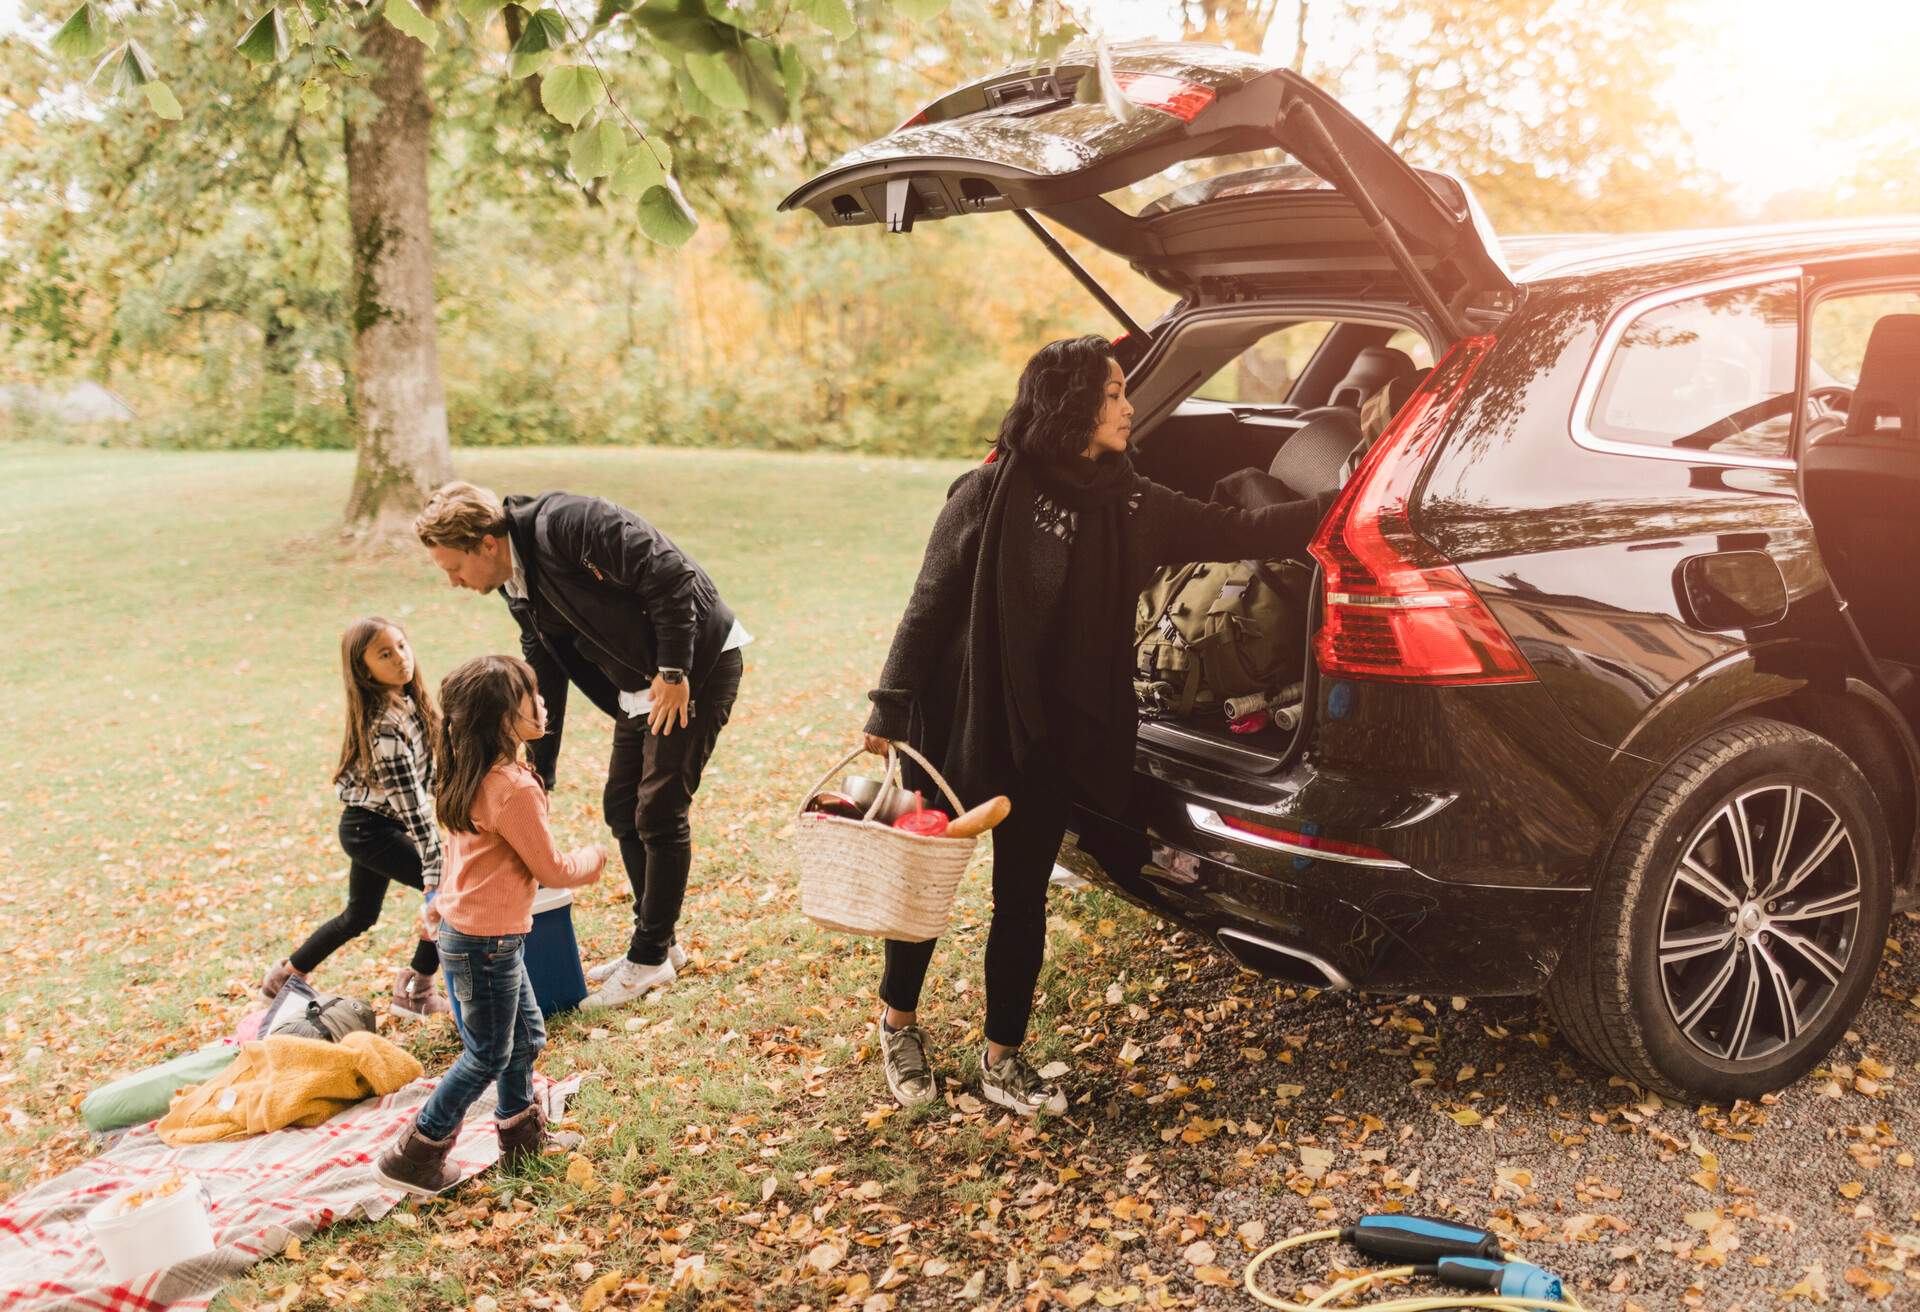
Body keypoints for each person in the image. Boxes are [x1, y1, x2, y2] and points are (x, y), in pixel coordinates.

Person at [859, 335, 1338, 1115]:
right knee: (925, 886)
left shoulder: (1132, 503)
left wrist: (1349, 507)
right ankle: (898, 1022)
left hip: (1056, 733)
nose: (1129, 405)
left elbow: (1240, 531)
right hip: (962, 715)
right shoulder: (985, 495)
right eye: (1113, 393)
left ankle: (1001, 1060)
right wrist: (888, 707)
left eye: (1123, 391)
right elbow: (930, 602)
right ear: (1070, 403)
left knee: (1022, 899)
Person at [413, 481, 746, 1010]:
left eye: (453, 566)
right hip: (641, 681)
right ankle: (662, 945)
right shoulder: (514, 580)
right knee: (622, 807)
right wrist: (534, 769)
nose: (453, 581)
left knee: (658, 809)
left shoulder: (569, 523)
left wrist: (675, 669)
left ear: (486, 543)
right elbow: (543, 664)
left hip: (693, 663)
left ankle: (650, 955)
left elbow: (671, 575)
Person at [374, 655, 607, 1196]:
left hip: (478, 934)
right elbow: (548, 868)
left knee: (524, 1036)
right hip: (485, 941)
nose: (544, 703)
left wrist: (440, 903)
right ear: (505, 718)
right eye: (533, 695)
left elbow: (468, 857)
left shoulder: (470, 771)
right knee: (487, 1054)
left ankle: (521, 1142)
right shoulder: (513, 788)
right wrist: (591, 859)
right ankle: (414, 1155)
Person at [262, 617, 451, 1019]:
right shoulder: (383, 728)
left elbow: (428, 778)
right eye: (385, 654)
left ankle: (284, 976)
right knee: (453, 890)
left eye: (401, 645)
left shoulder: (410, 704)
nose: (400, 658)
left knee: (360, 914)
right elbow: (413, 809)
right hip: (371, 830)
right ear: (365, 670)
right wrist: (437, 873)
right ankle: (417, 989)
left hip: (376, 826)